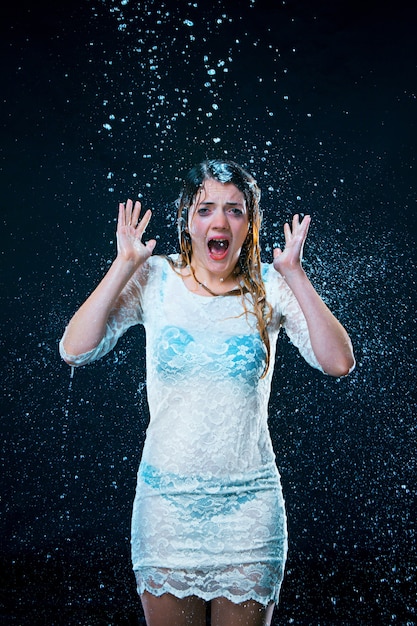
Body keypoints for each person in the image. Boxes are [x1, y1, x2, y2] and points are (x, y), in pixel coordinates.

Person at [59, 159, 355, 626]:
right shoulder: (154, 278)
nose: (220, 222)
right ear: (187, 221)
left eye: (235, 211)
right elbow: (75, 349)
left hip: (249, 508)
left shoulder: (269, 286)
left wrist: (296, 274)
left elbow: (338, 362)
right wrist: (122, 265)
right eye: (206, 210)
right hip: (166, 506)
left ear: (250, 223)